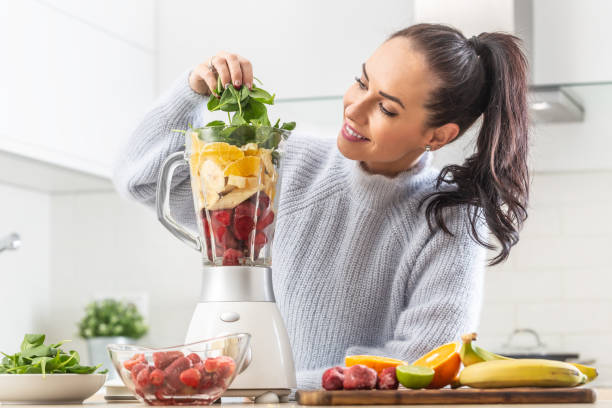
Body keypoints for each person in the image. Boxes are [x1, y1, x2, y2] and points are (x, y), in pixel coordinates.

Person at [113, 23, 529, 389]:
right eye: (361, 82)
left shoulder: (450, 219)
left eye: (386, 107)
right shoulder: (282, 160)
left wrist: (264, 386)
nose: (355, 107)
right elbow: (141, 178)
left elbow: (418, 367)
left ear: (438, 136)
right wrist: (191, 92)